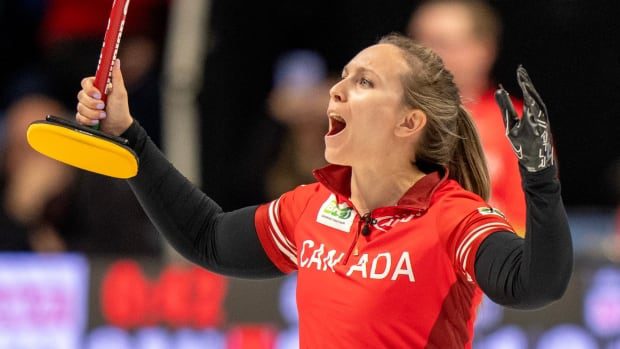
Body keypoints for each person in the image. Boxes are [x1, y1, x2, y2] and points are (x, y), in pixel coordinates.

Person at [76, 34, 572, 348]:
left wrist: (541, 182)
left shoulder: (454, 218)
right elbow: (205, 236)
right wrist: (129, 135)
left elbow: (535, 286)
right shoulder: (312, 208)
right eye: (342, 78)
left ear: (409, 121)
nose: (336, 90)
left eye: (364, 82)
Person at [408, 0, 527, 235]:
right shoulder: (387, 117)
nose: (422, 57)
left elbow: (529, 227)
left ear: (483, 50)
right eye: (414, 44)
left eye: (440, 43)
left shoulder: (516, 123)